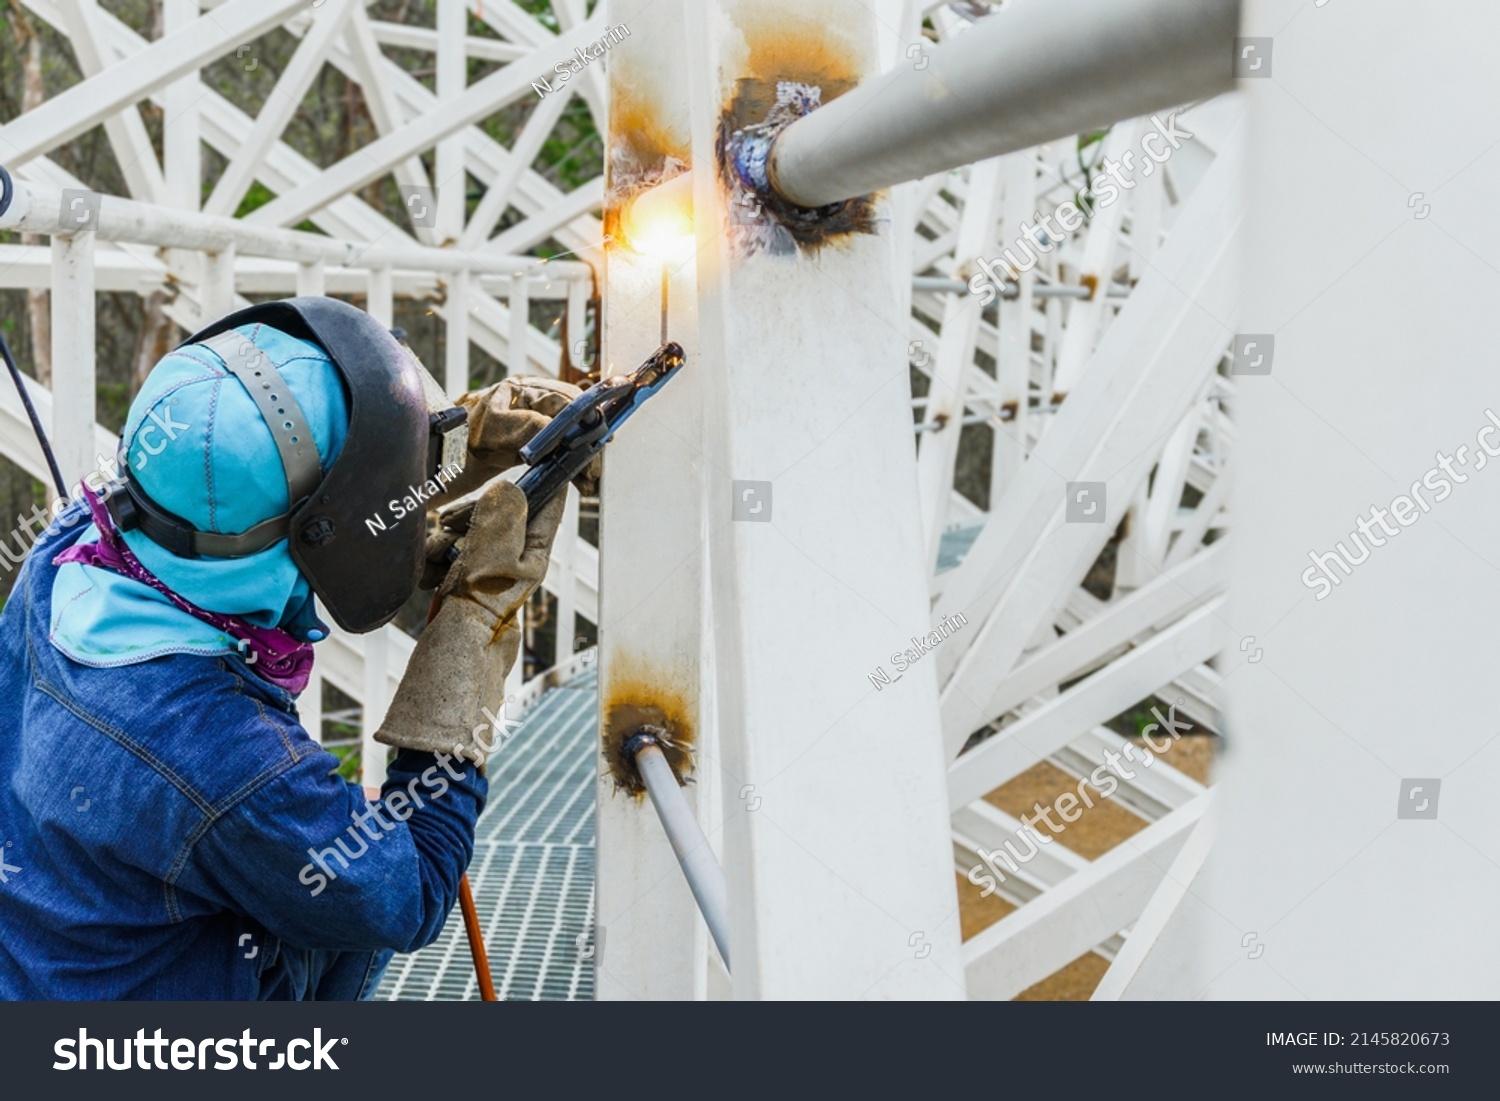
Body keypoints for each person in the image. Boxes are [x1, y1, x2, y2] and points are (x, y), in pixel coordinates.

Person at [0, 296, 585, 1000]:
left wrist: (443, 448)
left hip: (42, 953)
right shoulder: (224, 761)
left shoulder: (73, 544)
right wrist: (471, 623)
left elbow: (281, 516)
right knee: (344, 884)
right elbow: (413, 883)